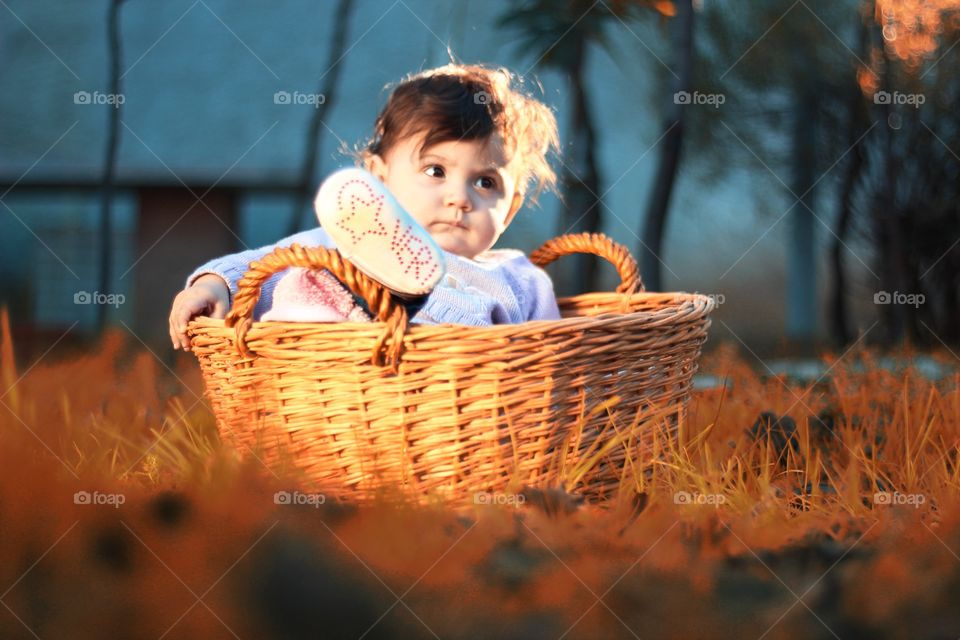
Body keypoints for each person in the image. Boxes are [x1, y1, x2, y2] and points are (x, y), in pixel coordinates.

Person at [169, 63, 562, 351]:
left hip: (456, 403)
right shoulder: (353, 238)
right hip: (341, 375)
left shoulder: (519, 279)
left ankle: (415, 310)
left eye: (485, 182)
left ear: (509, 209)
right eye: (435, 170)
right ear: (379, 178)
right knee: (309, 279)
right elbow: (263, 266)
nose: (460, 198)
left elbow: (555, 358)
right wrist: (213, 285)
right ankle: (356, 304)